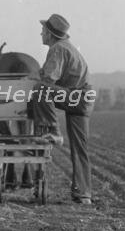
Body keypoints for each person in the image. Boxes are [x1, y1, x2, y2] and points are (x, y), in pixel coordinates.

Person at [32, 14, 94, 205]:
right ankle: (83, 194)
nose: (41, 32)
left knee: (40, 90)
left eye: (43, 30)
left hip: (75, 96)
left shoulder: (57, 49)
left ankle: (52, 130)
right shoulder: (67, 47)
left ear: (50, 35)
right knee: (80, 148)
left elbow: (49, 80)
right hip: (83, 98)